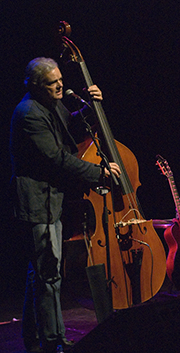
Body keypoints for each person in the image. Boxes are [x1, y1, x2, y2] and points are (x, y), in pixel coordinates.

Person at [9, 57, 121, 353]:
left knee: (42, 273)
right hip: (38, 203)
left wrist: (91, 108)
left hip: (50, 200)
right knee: (49, 275)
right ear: (35, 86)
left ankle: (35, 338)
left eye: (60, 78)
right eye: (52, 82)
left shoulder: (50, 104)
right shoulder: (29, 113)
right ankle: (53, 341)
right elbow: (57, 158)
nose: (60, 85)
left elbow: (70, 126)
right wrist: (100, 172)